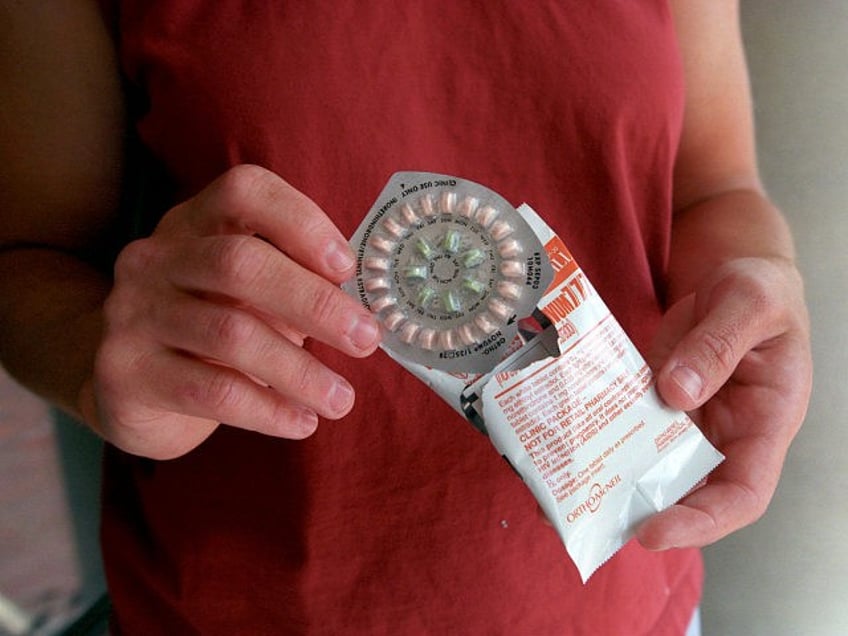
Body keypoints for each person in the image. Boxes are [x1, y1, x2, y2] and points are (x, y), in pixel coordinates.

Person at [0, 1, 812, 634]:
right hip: (251, 604)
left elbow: (713, 185)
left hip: (628, 586)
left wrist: (750, 292)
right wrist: (96, 362)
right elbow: (30, 260)